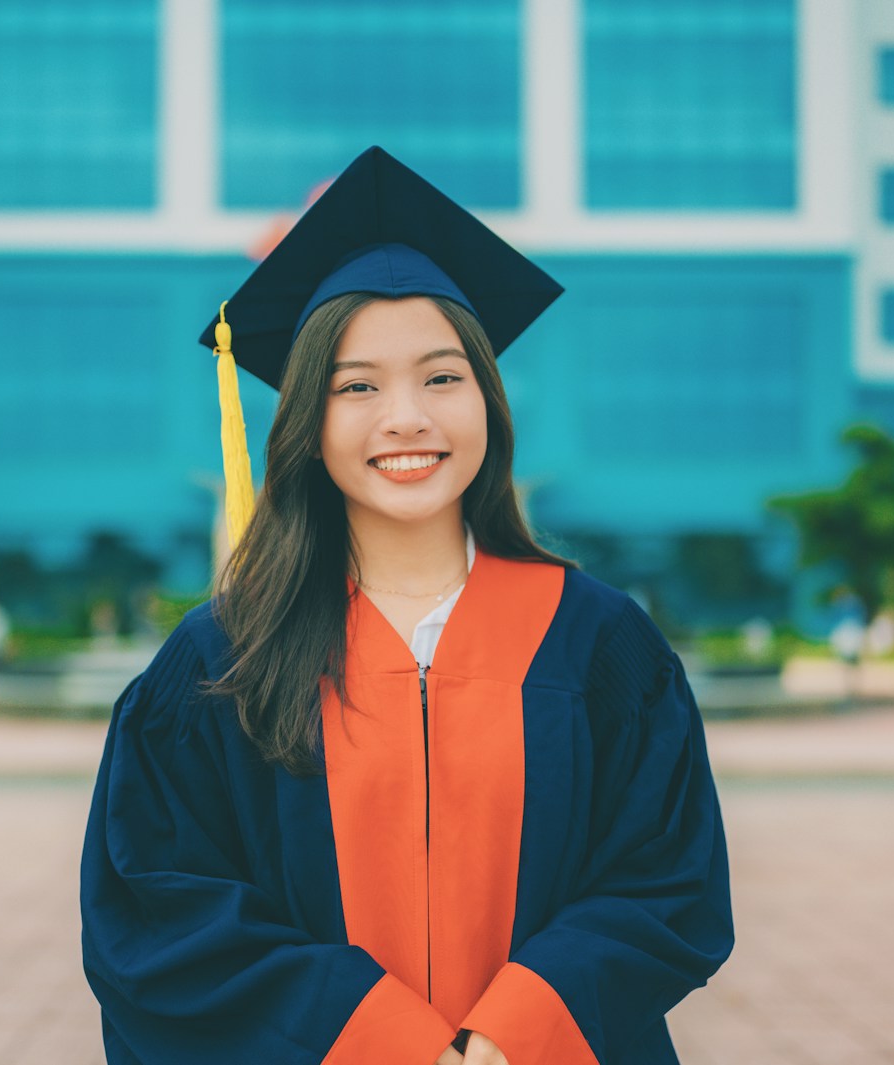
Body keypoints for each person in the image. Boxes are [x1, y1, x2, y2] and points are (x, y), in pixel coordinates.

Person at [79, 147, 734, 1065]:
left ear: (488, 402)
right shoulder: (223, 657)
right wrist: (378, 1039)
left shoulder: (598, 643)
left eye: (441, 376)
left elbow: (667, 879)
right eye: (357, 386)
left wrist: (515, 1031)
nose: (407, 418)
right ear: (307, 421)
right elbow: (160, 908)